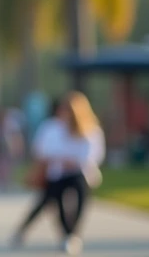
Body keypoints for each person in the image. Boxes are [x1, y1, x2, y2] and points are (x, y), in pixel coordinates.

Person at [12, 93, 105, 255]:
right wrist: (61, 158)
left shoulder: (90, 129)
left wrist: (73, 160)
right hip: (56, 172)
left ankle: (71, 235)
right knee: (50, 201)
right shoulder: (51, 127)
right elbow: (41, 150)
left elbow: (94, 154)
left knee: (80, 198)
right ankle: (34, 231)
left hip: (79, 172)